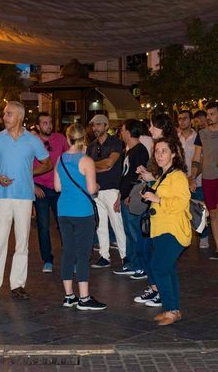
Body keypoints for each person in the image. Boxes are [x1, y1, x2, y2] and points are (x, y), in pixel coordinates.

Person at [0, 101, 52, 300]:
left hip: (24, 197)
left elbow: (47, 163)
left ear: (19, 117)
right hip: (3, 196)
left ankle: (18, 284)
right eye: (5, 114)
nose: (4, 117)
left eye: (9, 114)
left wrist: (29, 173)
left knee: (22, 242)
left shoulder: (32, 140)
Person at [138, 136, 191, 326]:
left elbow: (182, 202)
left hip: (173, 230)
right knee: (167, 269)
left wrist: (158, 199)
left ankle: (171, 310)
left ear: (174, 154)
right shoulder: (163, 175)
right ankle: (173, 310)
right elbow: (161, 194)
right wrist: (150, 193)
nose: (159, 155)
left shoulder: (178, 176)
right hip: (161, 229)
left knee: (159, 268)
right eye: (157, 151)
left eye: (164, 151)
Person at [54, 123, 105, 310]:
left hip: (63, 210)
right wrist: (97, 186)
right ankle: (84, 297)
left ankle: (69, 296)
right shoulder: (86, 161)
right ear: (84, 139)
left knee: (68, 252)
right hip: (82, 212)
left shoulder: (60, 159)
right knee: (83, 254)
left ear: (68, 139)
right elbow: (91, 189)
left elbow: (57, 187)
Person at [190, 102, 218, 260]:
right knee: (213, 214)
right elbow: (196, 158)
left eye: (212, 114)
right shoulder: (201, 134)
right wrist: (192, 177)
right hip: (207, 178)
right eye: (207, 114)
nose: (208, 117)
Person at [86, 114, 127, 269]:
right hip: (96, 189)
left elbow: (109, 163)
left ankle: (125, 257)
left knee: (117, 224)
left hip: (112, 189)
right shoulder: (91, 146)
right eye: (93, 125)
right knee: (100, 225)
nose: (95, 128)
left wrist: (93, 165)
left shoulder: (115, 143)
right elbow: (88, 167)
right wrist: (99, 165)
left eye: (98, 124)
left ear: (106, 126)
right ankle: (104, 256)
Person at [33, 112, 69, 273]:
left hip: (59, 188)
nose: (48, 126)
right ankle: (47, 259)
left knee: (64, 224)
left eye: (50, 122)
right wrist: (32, 186)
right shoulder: (33, 142)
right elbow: (25, 166)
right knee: (43, 226)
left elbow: (69, 158)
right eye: (44, 123)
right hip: (40, 188)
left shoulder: (60, 139)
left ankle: (69, 257)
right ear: (38, 126)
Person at [114, 119, 149, 277]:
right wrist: (119, 197)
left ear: (128, 132)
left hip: (133, 198)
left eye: (122, 130)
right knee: (129, 232)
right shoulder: (129, 151)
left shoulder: (140, 150)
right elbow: (125, 175)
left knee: (136, 233)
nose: (121, 133)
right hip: (125, 196)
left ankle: (141, 266)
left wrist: (131, 195)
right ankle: (131, 263)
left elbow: (141, 176)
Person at [178, 109, 209, 249]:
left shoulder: (199, 137)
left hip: (197, 180)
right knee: (181, 210)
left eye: (185, 118)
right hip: (180, 180)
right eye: (180, 119)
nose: (182, 121)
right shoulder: (176, 139)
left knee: (198, 210)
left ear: (191, 120)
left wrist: (193, 177)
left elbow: (202, 160)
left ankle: (204, 237)